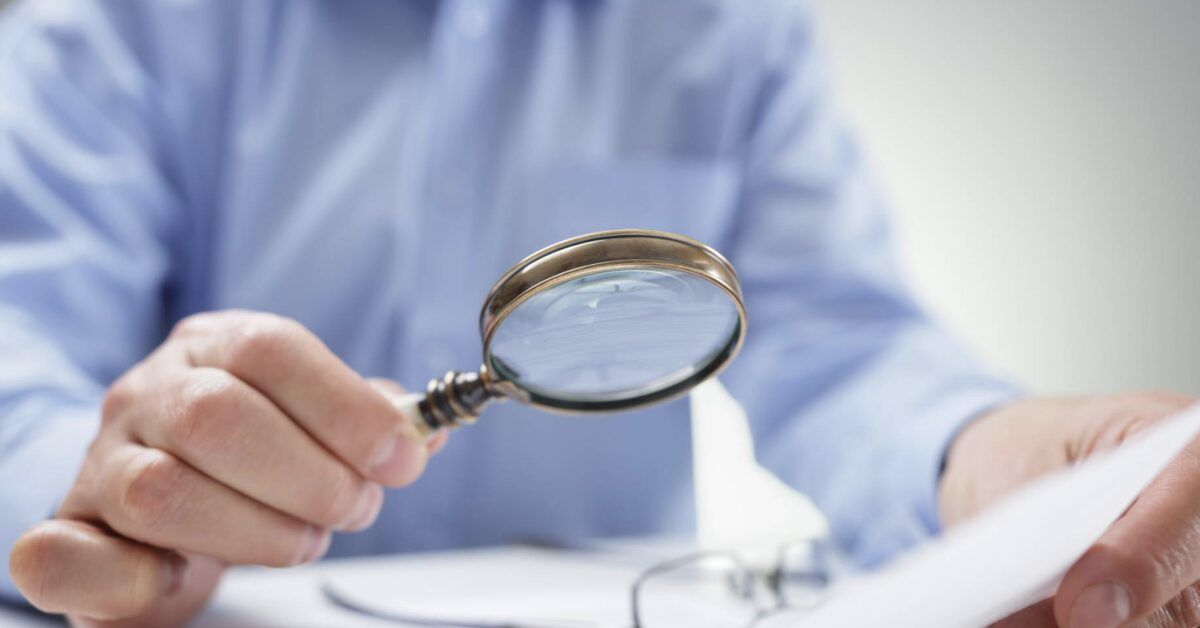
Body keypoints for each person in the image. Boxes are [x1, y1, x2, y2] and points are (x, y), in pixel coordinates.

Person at [0, 2, 1193, 627]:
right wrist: (122, 498)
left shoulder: (723, 21)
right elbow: (16, 345)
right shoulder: (120, 18)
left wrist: (1017, 466)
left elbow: (841, 345)